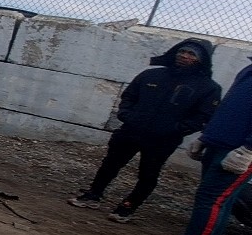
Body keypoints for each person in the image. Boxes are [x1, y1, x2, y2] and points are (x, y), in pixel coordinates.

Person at [68, 39, 221, 222]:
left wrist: (174, 130)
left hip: (162, 140)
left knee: (148, 174)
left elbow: (202, 117)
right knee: (110, 164)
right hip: (131, 131)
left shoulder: (208, 88)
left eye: (191, 54)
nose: (184, 56)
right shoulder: (151, 75)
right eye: (182, 52)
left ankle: (127, 207)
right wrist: (127, 115)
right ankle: (93, 195)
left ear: (201, 60)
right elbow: (129, 97)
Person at [138, 56, 252, 235]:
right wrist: (206, 137)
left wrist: (248, 150)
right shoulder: (249, 70)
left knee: (211, 201)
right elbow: (229, 107)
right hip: (220, 143)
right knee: (220, 201)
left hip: (237, 150)